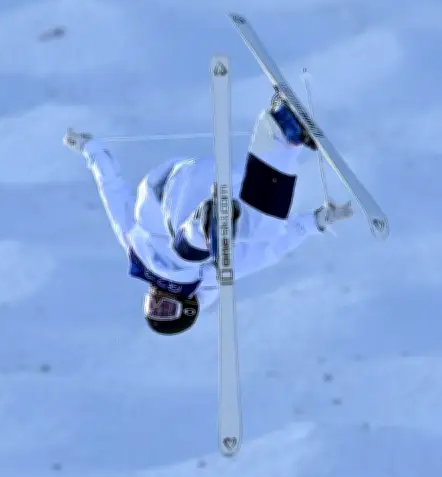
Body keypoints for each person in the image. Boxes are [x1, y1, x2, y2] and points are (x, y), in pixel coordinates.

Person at [63, 94, 354, 336]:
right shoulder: (217, 274)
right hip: (219, 182)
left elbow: (112, 192)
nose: (159, 299)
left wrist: (91, 150)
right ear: (189, 308)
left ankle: (203, 224)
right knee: (262, 229)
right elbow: (271, 249)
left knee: (186, 254)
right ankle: (280, 131)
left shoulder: (135, 250)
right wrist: (316, 221)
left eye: (153, 306)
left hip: (170, 194)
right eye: (166, 309)